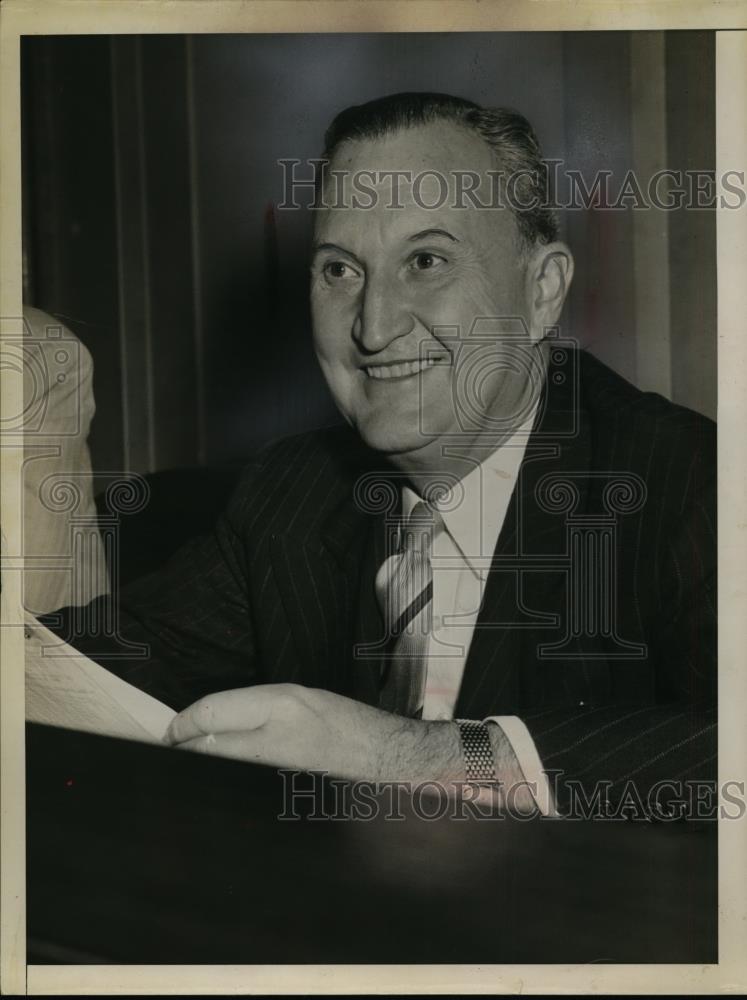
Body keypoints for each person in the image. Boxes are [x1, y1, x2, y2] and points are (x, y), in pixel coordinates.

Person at [46, 93, 716, 816]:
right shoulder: (292, 490)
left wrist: (393, 757)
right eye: (339, 270)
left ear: (541, 290)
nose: (372, 326)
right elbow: (89, 671)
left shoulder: (689, 482)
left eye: (425, 260)